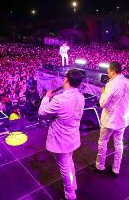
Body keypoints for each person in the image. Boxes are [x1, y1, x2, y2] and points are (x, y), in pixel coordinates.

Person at [38, 69, 85, 200]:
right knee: (69, 163)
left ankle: (70, 194)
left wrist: (47, 97)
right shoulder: (81, 97)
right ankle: (73, 185)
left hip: (61, 139)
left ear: (66, 80)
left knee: (65, 167)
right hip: (73, 136)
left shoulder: (60, 99)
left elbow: (42, 112)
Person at [92, 62, 129, 178]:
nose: (107, 73)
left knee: (103, 142)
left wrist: (103, 93)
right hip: (122, 118)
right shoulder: (127, 82)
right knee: (119, 144)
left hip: (110, 119)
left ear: (113, 71)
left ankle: (100, 166)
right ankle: (116, 169)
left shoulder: (111, 84)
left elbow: (102, 103)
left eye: (108, 71)